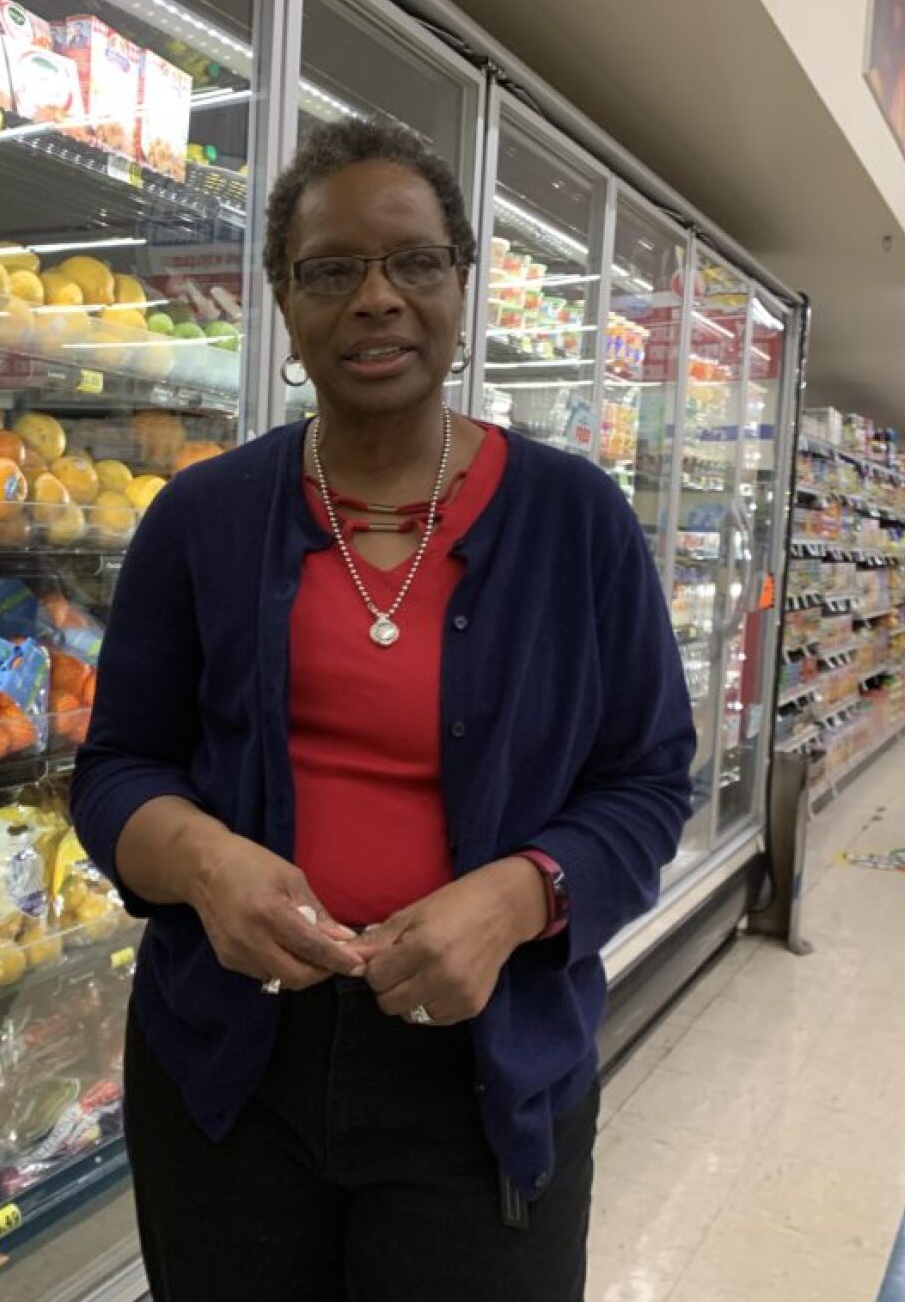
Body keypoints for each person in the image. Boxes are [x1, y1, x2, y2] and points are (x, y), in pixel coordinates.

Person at [71, 116, 696, 1301]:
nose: (374, 298)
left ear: (460, 284)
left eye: (412, 261)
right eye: (330, 270)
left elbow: (647, 780)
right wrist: (205, 863)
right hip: (227, 1068)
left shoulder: (575, 521)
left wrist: (517, 898)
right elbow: (115, 770)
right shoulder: (202, 519)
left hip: (485, 1069)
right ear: (282, 299)